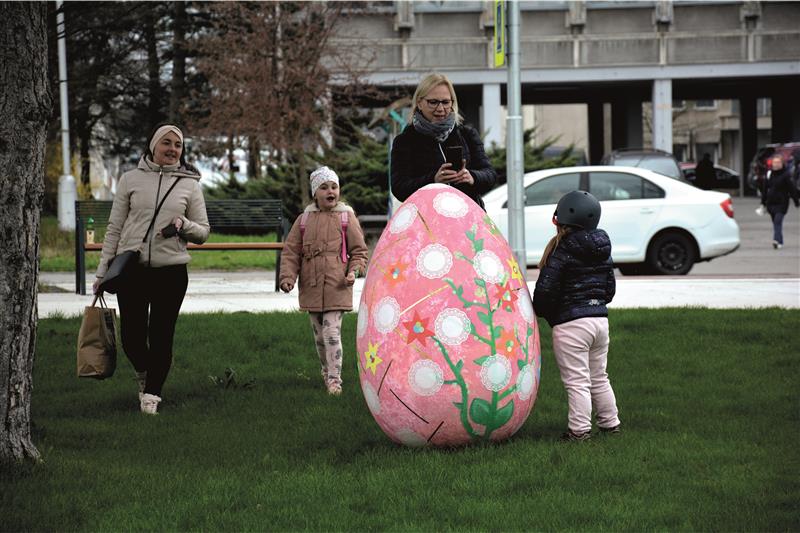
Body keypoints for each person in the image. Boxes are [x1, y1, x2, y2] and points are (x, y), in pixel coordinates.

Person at [94, 124, 210, 415]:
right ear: (153, 146)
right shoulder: (130, 180)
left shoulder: (189, 184)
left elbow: (204, 232)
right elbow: (114, 228)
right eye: (166, 143)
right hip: (131, 269)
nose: (172, 149)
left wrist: (185, 226)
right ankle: (146, 373)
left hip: (171, 272)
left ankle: (152, 396)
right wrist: (101, 273)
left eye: (178, 145)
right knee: (132, 339)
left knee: (161, 335)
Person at [532, 190, 620, 442]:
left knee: (577, 381)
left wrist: (544, 312)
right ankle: (610, 423)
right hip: (599, 321)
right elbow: (609, 290)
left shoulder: (561, 252)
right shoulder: (603, 251)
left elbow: (545, 291)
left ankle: (579, 431)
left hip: (571, 325)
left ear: (559, 220)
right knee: (599, 376)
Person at [279, 166, 369, 396]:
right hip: (310, 285)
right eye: (324, 187)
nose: (331, 191)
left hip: (337, 284)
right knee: (319, 337)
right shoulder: (304, 220)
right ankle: (326, 369)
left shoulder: (346, 217)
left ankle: (334, 381)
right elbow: (291, 252)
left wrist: (354, 271)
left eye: (334, 186)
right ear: (314, 193)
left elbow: (359, 251)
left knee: (331, 333)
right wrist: (288, 278)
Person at [391, 73, 497, 210]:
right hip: (427, 223)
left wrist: (472, 177)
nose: (440, 109)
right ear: (419, 103)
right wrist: (433, 180)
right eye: (433, 102)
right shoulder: (405, 141)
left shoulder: (467, 134)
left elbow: (490, 175)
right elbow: (399, 188)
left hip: (467, 221)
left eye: (446, 102)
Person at [759, 154, 800, 250]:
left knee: (778, 221)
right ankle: (779, 241)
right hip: (771, 203)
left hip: (782, 203)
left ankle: (776, 240)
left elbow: (792, 189)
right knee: (776, 223)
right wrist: (762, 203)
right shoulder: (769, 174)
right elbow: (765, 189)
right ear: (772, 164)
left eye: (778, 162)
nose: (776, 165)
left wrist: (796, 202)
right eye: (774, 162)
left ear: (782, 164)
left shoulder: (786, 175)